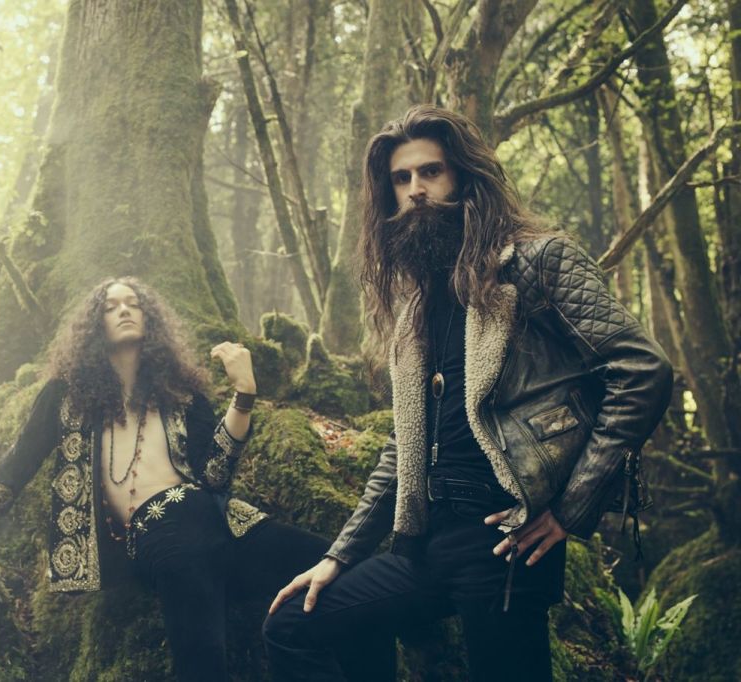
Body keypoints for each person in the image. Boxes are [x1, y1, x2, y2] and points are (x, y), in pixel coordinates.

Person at [262, 105, 673, 681]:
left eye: (430, 171)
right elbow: (403, 446)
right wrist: (339, 557)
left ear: (463, 175)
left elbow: (642, 370)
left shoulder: (538, 261)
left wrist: (570, 510)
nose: (416, 189)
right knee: (293, 625)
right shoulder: (416, 304)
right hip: (424, 547)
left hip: (507, 543)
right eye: (401, 178)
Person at [0, 276, 326, 682]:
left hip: (225, 524)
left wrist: (244, 395)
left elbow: (215, 476)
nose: (124, 310)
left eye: (133, 304)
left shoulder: (182, 394)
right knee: (200, 646)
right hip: (157, 535)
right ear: (94, 325)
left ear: (150, 320)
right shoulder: (65, 397)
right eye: (111, 306)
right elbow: (19, 459)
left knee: (335, 565)